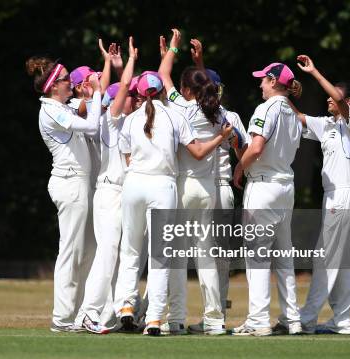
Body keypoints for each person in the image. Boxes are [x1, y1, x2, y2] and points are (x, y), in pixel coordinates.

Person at [114, 70, 231, 336]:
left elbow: (128, 160)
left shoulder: (131, 119)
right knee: (160, 255)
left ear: (140, 94)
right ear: (163, 93)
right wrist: (221, 138)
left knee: (131, 250)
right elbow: (199, 152)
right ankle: (155, 319)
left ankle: (126, 307)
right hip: (164, 185)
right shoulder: (175, 116)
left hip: (134, 184)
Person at [158, 29, 236, 336]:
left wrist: (172, 50)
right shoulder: (218, 114)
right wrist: (200, 62)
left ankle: (176, 318)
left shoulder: (180, 107)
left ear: (184, 90)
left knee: (176, 254)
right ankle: (215, 319)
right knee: (207, 256)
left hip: (184, 187)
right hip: (208, 190)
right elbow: (209, 89)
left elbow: (163, 73)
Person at [292, 55, 350, 335]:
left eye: (333, 98)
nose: (327, 100)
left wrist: (313, 72)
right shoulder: (327, 125)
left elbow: (333, 94)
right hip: (335, 197)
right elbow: (298, 117)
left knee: (325, 257)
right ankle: (342, 320)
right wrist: (284, 94)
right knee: (342, 259)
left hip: (344, 196)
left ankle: (307, 318)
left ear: (346, 102)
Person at [26, 56, 102, 332]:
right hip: (69, 183)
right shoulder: (50, 110)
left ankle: (80, 314)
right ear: (53, 85)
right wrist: (97, 94)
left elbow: (82, 108)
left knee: (87, 250)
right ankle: (62, 319)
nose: (71, 82)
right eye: (66, 79)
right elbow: (91, 125)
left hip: (80, 184)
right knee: (70, 251)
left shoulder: (61, 106)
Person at [231, 63, 303, 336]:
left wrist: (240, 166)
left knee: (257, 255)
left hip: (263, 187)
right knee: (284, 255)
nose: (260, 85)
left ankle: (259, 320)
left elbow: (257, 147)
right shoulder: (293, 113)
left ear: (273, 82)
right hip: (286, 187)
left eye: (263, 80)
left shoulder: (266, 109)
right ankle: (291, 319)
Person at [74, 37, 138, 334]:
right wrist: (119, 65)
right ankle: (87, 313)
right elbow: (125, 86)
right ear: (114, 101)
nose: (134, 97)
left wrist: (121, 65)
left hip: (124, 194)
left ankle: (109, 314)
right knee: (108, 251)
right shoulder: (111, 120)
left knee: (121, 253)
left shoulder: (132, 121)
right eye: (128, 95)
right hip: (109, 192)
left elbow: (134, 86)